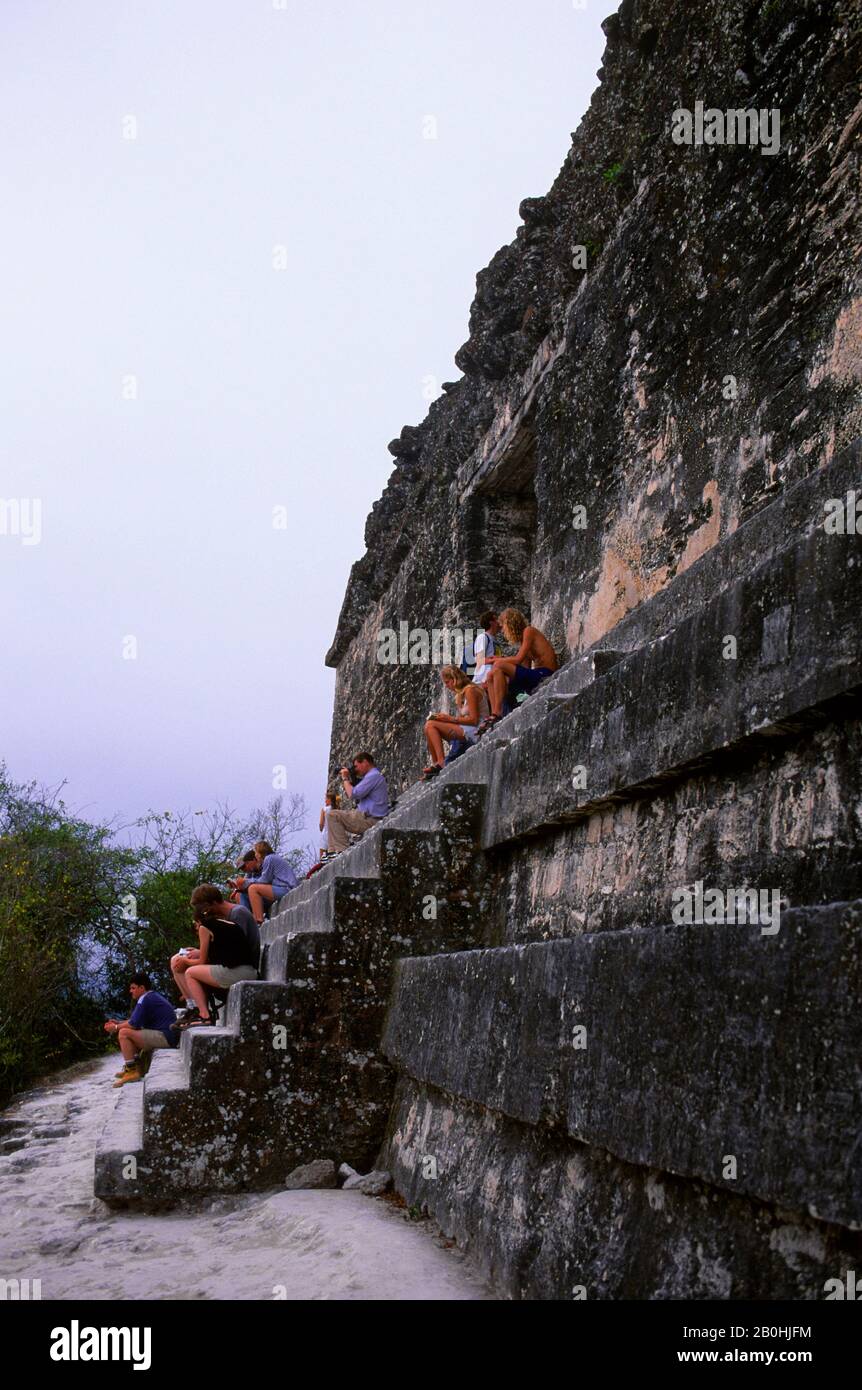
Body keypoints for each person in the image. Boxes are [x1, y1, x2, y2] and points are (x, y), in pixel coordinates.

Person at [179, 896, 259, 1028]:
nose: (196, 927)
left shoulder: (204, 927)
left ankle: (204, 1015)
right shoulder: (228, 923)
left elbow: (202, 961)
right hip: (250, 971)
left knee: (190, 973)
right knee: (200, 972)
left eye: (195, 924)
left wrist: (185, 961)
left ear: (198, 920)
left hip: (237, 972)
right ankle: (204, 1012)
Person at [477, 607, 559, 735]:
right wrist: (505, 680)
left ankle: (497, 712)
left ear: (510, 623)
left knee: (498, 665)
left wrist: (498, 659)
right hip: (535, 675)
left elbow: (518, 659)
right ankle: (494, 714)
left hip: (545, 672)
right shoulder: (523, 641)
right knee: (492, 674)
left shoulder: (529, 631)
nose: (503, 630)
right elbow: (524, 668)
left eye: (503, 626)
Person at [105, 973, 179, 1088]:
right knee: (126, 1030)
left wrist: (115, 1028)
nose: (131, 991)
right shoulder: (150, 997)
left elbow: (133, 1025)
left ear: (142, 988)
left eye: (133, 988)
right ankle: (135, 1068)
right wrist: (119, 1023)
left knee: (124, 1033)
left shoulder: (145, 999)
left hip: (165, 1037)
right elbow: (135, 1021)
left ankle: (132, 1071)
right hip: (167, 1035)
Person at [421, 666, 489, 779]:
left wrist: (448, 719)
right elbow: (462, 720)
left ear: (454, 679)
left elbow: (474, 720)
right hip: (468, 729)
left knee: (431, 725)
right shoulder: (460, 695)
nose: (447, 686)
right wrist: (442, 719)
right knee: (428, 725)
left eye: (447, 682)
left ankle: (441, 762)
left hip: (477, 729)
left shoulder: (470, 690)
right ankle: (436, 763)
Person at [326, 753, 390, 853]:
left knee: (333, 815)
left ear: (365, 762)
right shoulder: (372, 777)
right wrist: (352, 776)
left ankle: (340, 850)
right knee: (332, 816)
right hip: (367, 817)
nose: (356, 769)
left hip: (370, 819)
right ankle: (332, 851)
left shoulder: (373, 776)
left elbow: (352, 794)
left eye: (356, 766)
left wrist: (345, 778)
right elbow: (357, 789)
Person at [231, 840, 298, 925]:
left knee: (253, 888)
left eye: (256, 852)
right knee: (241, 893)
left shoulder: (269, 858)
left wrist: (246, 881)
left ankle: (259, 920)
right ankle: (247, 923)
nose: (255, 855)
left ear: (260, 851)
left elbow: (264, 880)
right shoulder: (270, 858)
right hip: (280, 887)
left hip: (287, 887)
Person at [472, 610, 502, 687]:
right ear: (491, 622)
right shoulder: (483, 637)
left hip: (491, 678)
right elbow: (479, 660)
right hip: (482, 680)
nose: (499, 622)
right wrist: (497, 659)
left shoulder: (494, 639)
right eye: (497, 619)